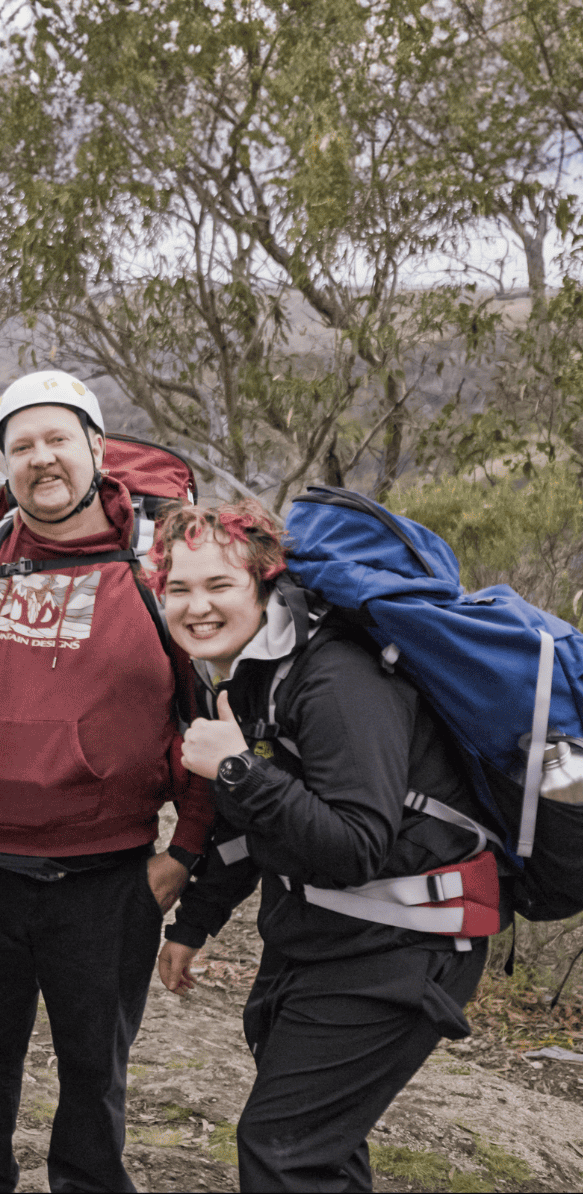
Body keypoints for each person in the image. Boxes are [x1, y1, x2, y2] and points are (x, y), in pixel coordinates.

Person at [0, 370, 213, 1192]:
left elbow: (211, 727)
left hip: (105, 884)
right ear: (4, 464)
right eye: (21, 445)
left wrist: (185, 850)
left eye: (58, 439)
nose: (42, 459)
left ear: (97, 450)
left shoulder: (156, 570)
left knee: (93, 1081)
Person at [152, 500, 497, 1191]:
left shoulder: (338, 676)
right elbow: (256, 827)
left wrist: (235, 768)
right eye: (179, 588)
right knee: (320, 1148)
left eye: (219, 585)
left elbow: (355, 845)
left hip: (405, 941)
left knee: (285, 1151)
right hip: (330, 934)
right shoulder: (252, 673)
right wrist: (193, 924)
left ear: (264, 581)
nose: (197, 607)